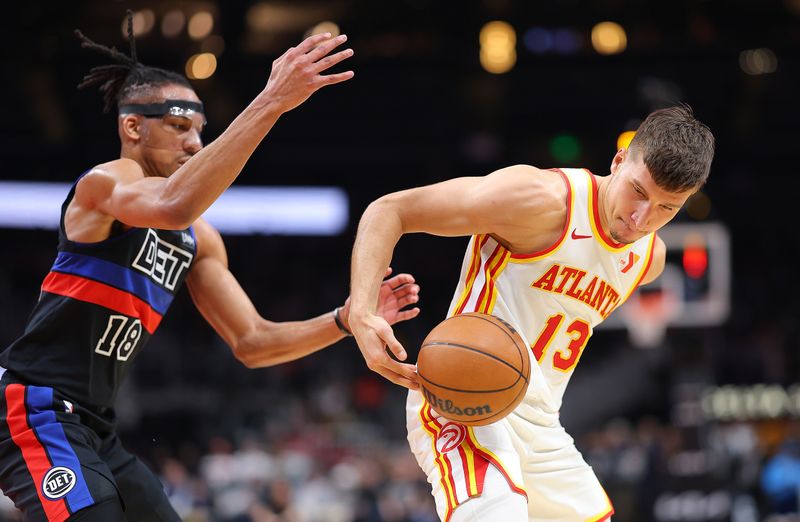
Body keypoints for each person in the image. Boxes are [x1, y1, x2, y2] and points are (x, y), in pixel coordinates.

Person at [0, 17, 421, 522]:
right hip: (34, 409)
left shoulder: (199, 239)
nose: (195, 144)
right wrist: (271, 102)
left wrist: (341, 320)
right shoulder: (106, 184)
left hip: (95, 427)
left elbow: (254, 342)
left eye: (199, 130)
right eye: (178, 127)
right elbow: (173, 204)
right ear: (132, 127)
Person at [348, 105, 714, 521]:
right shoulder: (541, 200)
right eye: (639, 191)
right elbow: (390, 210)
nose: (641, 218)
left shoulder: (649, 259)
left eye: (667, 208)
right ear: (618, 162)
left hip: (541, 428)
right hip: (467, 399)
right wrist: (361, 312)